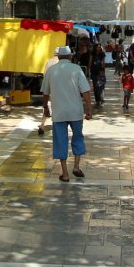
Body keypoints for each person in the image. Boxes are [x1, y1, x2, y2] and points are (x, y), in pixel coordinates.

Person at [41, 46, 92, 182]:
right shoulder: (76, 69)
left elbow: (45, 93)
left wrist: (45, 107)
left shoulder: (51, 70)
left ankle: (65, 173)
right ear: (70, 56)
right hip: (75, 111)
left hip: (59, 112)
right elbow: (85, 91)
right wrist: (89, 109)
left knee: (60, 141)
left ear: (58, 57)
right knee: (78, 138)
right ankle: (76, 166)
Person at [89, 43, 106, 107]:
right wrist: (89, 70)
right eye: (97, 47)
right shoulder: (92, 53)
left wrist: (104, 71)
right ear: (95, 47)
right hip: (93, 71)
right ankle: (97, 100)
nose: (98, 48)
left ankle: (101, 99)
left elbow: (103, 62)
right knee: (95, 86)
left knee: (100, 86)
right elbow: (90, 62)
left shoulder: (102, 54)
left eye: (99, 47)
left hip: (100, 72)